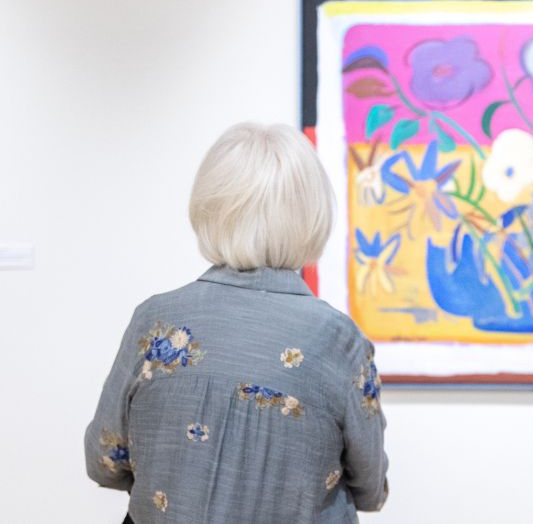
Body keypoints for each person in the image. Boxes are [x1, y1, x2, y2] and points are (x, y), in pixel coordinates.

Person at [85, 122, 389, 523]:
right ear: (312, 215)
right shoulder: (338, 340)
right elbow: (370, 486)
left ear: (211, 208)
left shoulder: (156, 323)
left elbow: (104, 460)